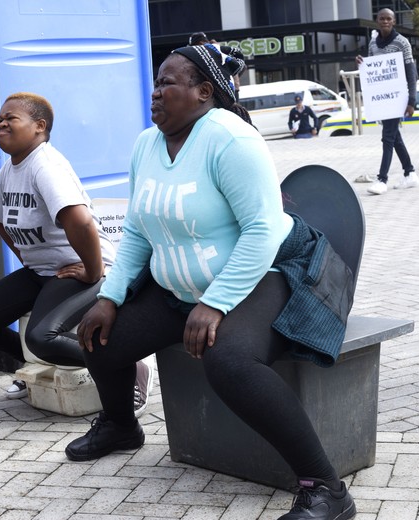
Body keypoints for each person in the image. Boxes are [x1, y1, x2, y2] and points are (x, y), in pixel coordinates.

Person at [65, 43, 356, 520]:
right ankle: (120, 425)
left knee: (230, 362)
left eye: (168, 83)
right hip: (181, 286)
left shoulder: (230, 138)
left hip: (267, 273)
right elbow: (138, 229)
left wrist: (216, 302)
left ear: (203, 92)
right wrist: (110, 296)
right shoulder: (147, 144)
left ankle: (325, 488)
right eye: (156, 82)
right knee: (99, 335)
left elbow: (262, 230)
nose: (155, 93)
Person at [0, 92, 153, 414]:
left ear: (39, 127)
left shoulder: (46, 166)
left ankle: (129, 366)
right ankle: (33, 366)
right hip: (43, 272)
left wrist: (92, 271)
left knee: (43, 337)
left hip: (87, 267)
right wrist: (28, 260)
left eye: (11, 119)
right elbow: (0, 222)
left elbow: (81, 222)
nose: (1, 124)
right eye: (0, 119)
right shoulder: (10, 168)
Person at [355, 8, 419, 195]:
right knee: (395, 137)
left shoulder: (402, 43)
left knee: (387, 136)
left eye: (388, 19)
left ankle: (382, 179)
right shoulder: (373, 43)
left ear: (393, 21)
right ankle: (410, 173)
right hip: (382, 99)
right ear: (377, 20)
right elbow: (372, 68)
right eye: (382, 18)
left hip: (398, 97)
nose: (385, 21)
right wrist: (361, 62)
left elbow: (411, 73)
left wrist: (411, 100)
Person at [188, 31, 246, 102]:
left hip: (223, 90)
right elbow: (243, 66)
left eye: (195, 46)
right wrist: (232, 77)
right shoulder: (218, 48)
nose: (195, 49)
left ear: (200, 43)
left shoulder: (210, 52)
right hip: (230, 88)